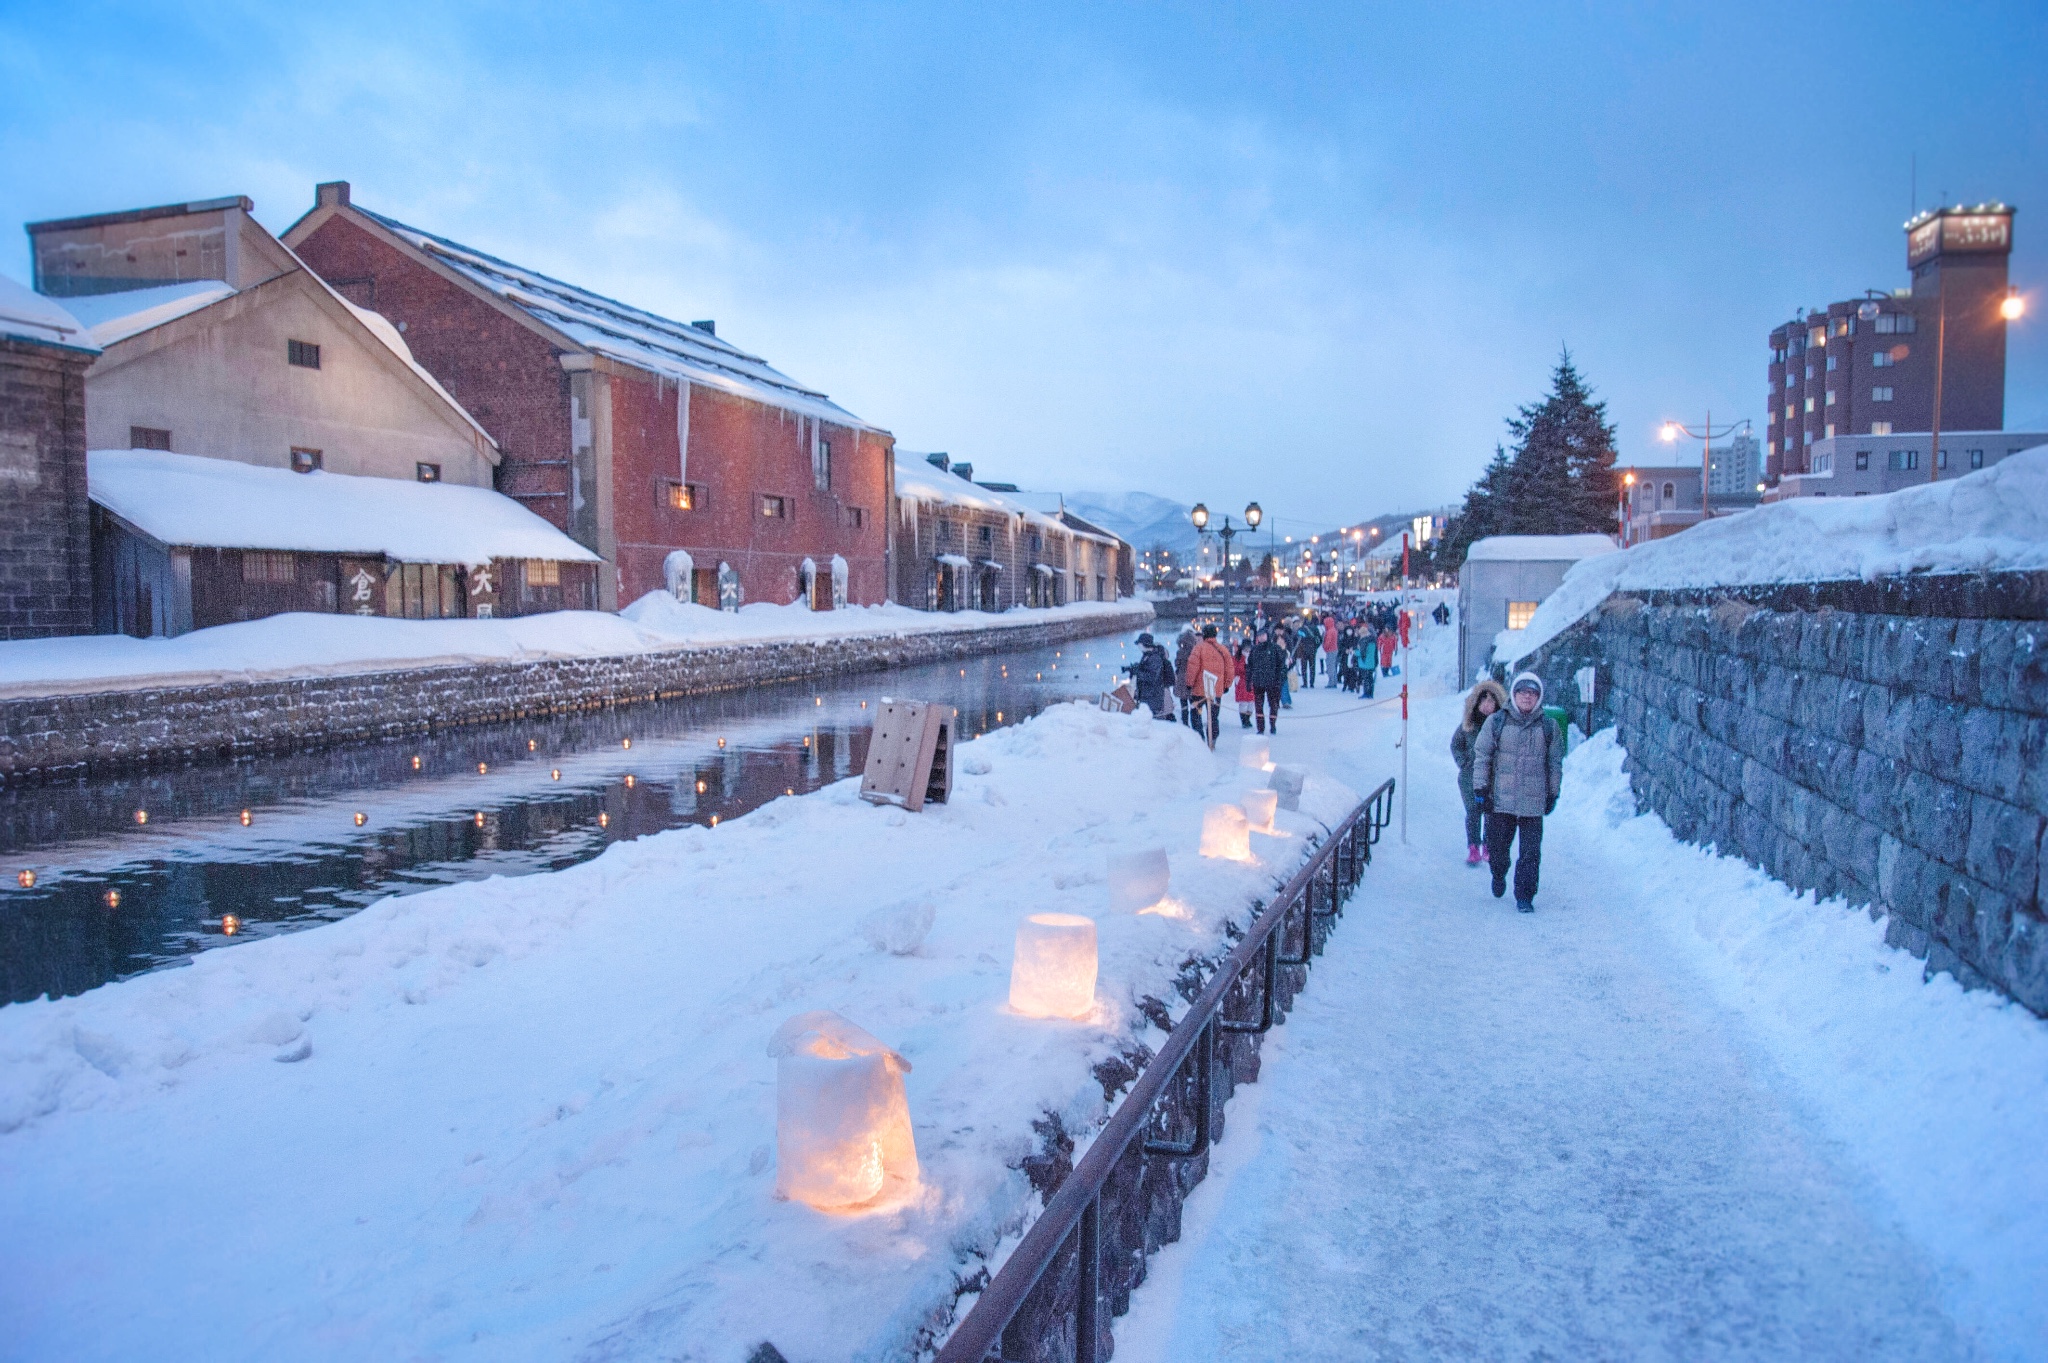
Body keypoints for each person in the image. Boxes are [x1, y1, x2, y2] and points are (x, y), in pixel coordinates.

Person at [1471, 672, 1564, 913]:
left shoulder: (1549, 727)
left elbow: (1554, 763)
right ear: (1513, 694)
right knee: (1498, 847)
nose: (1526, 697)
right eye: (1522, 692)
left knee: (1531, 853)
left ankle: (1525, 895)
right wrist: (1481, 788)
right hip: (1501, 801)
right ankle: (1499, 872)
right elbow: (1482, 756)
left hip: (1533, 803)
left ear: (1538, 697)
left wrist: (1553, 793)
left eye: (1531, 693)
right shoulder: (1497, 722)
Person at [1451, 679, 1506, 865]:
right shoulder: (1469, 725)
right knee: (1473, 812)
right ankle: (1473, 847)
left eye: (1491, 702)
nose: (1487, 706)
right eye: (1483, 701)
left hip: (1494, 777)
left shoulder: (1501, 726)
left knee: (1491, 812)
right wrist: (1463, 762)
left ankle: (1487, 846)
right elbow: (1455, 744)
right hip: (1469, 778)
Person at [1184, 624, 1236, 748]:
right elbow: (1230, 669)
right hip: (1216, 690)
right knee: (1213, 717)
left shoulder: (1198, 648)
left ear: (1204, 634)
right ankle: (1212, 740)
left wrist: (1189, 684)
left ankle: (1200, 739)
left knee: (1196, 714)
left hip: (1199, 690)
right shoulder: (1223, 650)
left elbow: (1192, 668)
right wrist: (1226, 685)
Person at [1245, 627, 1288, 735]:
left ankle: (1273, 725)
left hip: (1272, 682)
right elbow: (1249, 666)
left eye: (1263, 635)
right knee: (1258, 706)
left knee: (1273, 705)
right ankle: (1260, 728)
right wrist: (1248, 681)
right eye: (1259, 636)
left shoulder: (1275, 648)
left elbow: (1281, 665)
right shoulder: (1255, 649)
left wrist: (1280, 680)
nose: (1261, 637)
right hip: (1258, 682)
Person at [1124, 632, 1174, 719]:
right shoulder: (1147, 656)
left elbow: (1152, 677)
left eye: (1139, 644)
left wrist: (1137, 672)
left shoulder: (1154, 658)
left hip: (1153, 696)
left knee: (1153, 720)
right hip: (1148, 695)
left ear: (1144, 644)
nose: (1139, 646)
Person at [1173, 624, 1198, 729]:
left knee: (1183, 703)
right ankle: (1195, 723)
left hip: (1182, 679)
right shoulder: (1195, 652)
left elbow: (1177, 664)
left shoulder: (1180, 652)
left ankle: (1185, 723)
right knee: (1193, 703)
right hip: (1193, 679)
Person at [1231, 641, 1255, 728]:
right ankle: (1244, 720)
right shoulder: (1237, 658)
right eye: (1246, 649)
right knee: (1243, 702)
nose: (1247, 651)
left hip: (1251, 681)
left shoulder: (1253, 656)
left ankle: (1248, 718)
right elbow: (1234, 667)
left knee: (1251, 703)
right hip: (1241, 682)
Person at [1321, 613, 1339, 687]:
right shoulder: (1334, 630)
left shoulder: (1329, 632)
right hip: (1334, 649)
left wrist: (1324, 647)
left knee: (1330, 667)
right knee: (1333, 667)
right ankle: (1334, 681)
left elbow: (1328, 642)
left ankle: (1331, 682)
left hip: (1330, 650)